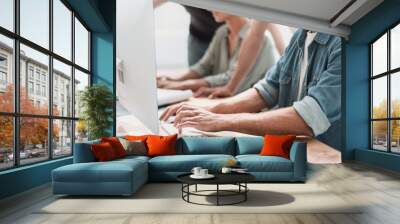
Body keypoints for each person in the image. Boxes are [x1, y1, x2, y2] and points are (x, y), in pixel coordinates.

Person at [160, 29, 342, 148]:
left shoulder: (341, 44)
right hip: (297, 149)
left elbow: (309, 118)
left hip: (332, 160)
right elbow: (266, 90)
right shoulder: (300, 36)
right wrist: (207, 109)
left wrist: (221, 120)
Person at [154, 1, 286, 97]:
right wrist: (172, 80)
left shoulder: (260, 39)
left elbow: (229, 78)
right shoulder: (222, 33)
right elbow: (202, 67)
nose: (209, 7)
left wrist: (180, 86)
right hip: (232, 98)